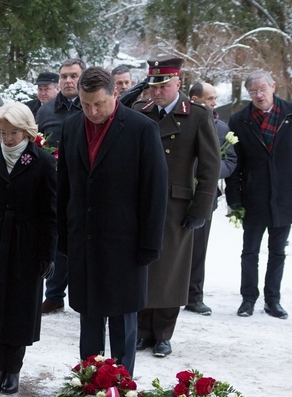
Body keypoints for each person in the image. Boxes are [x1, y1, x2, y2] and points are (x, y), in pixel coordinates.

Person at [57, 66, 167, 373]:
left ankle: (122, 388)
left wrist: (150, 244)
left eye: (99, 104)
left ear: (114, 95)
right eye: (85, 104)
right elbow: (64, 185)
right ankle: (89, 382)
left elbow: (155, 191)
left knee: (122, 322)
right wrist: (63, 237)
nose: (91, 111)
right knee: (89, 319)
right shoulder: (71, 127)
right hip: (84, 241)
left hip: (125, 243)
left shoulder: (141, 129)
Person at [132, 58, 219, 358]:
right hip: (142, 202)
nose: (157, 93)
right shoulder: (140, 112)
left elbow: (210, 164)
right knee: (144, 266)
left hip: (176, 203)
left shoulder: (196, 115)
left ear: (178, 84)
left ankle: (164, 333)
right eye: (153, 87)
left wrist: (201, 207)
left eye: (164, 86)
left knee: (171, 270)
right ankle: (142, 330)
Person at [0, 102, 57, 395]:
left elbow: (49, 212)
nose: (7, 139)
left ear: (27, 131)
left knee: (19, 306)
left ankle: (13, 370)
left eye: (13, 133)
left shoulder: (42, 161)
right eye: (2, 132)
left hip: (26, 240)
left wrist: (47, 252)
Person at [226, 69, 292, 320]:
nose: (258, 95)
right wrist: (235, 200)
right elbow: (234, 164)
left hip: (285, 194)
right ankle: (248, 299)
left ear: (273, 87)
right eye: (252, 91)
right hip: (253, 196)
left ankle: (273, 300)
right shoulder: (239, 120)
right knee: (249, 251)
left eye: (262, 89)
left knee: (278, 251)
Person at [186, 81, 238, 316]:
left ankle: (194, 296)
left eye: (215, 98)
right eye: (210, 98)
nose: (214, 103)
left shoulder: (221, 128)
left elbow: (231, 160)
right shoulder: (181, 121)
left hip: (205, 196)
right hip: (178, 195)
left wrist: (211, 171)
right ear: (194, 99)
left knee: (198, 249)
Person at [38, 58, 85, 314]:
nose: (68, 81)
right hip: (53, 186)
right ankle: (54, 294)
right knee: (57, 240)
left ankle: (83, 295)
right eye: (64, 76)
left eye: (73, 76)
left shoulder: (92, 107)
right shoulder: (46, 111)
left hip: (82, 185)